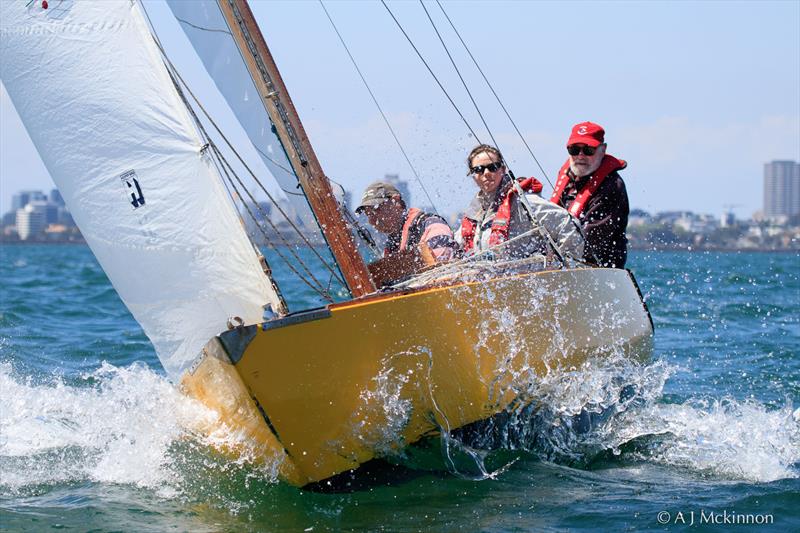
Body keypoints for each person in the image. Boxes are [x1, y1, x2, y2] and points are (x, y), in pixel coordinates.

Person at [455, 144, 584, 260]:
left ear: (503, 169)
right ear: (472, 174)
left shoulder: (524, 201)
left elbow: (567, 224)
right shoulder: (474, 214)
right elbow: (456, 247)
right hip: (493, 281)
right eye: (479, 170)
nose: (486, 173)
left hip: (529, 279)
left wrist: (565, 264)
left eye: (492, 167)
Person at [550, 121, 629, 268]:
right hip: (565, 265)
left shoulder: (612, 186)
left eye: (588, 150)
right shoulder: (568, 180)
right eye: (574, 149)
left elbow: (593, 240)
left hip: (601, 271)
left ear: (602, 150)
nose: (580, 156)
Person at [356, 181, 456, 286]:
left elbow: (445, 270)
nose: (372, 220)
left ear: (396, 201)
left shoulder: (430, 224)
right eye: (368, 214)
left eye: (376, 210)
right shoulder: (392, 244)